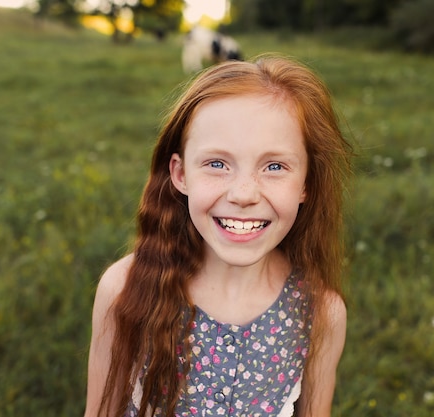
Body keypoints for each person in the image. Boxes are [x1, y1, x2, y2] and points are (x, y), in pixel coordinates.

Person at [84, 54, 353, 417]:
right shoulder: (124, 290)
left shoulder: (321, 312)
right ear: (180, 175)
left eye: (274, 166)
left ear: (306, 183)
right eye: (217, 164)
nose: (244, 194)